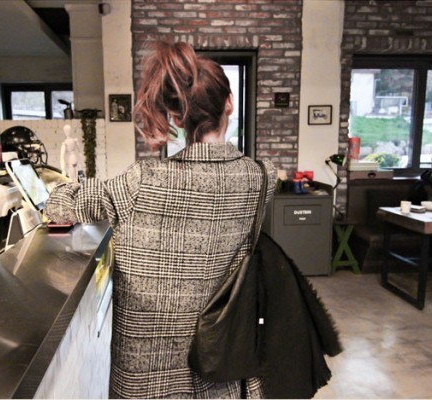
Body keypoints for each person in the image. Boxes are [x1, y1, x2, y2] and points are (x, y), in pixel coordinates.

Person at [44, 41, 277, 398]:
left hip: (147, 375)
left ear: (177, 117)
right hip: (222, 358)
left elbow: (61, 207)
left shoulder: (143, 181)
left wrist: (60, 185)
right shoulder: (262, 178)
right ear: (230, 103)